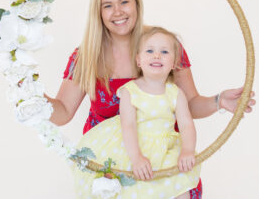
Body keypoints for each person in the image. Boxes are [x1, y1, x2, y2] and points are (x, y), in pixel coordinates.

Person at [46, 0, 256, 199]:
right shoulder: (86, 55)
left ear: (136, 3)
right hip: (110, 168)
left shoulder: (161, 47)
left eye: (124, 1)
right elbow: (63, 112)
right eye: (107, 5)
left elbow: (189, 103)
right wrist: (29, 96)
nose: (118, 12)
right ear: (98, 12)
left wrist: (219, 101)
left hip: (161, 162)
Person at [73, 26, 201, 198]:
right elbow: (128, 126)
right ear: (138, 60)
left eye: (164, 51)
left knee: (181, 187)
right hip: (135, 147)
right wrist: (136, 158)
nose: (157, 55)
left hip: (165, 150)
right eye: (150, 51)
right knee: (133, 189)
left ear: (174, 63)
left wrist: (187, 150)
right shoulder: (130, 91)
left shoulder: (175, 93)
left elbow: (186, 124)